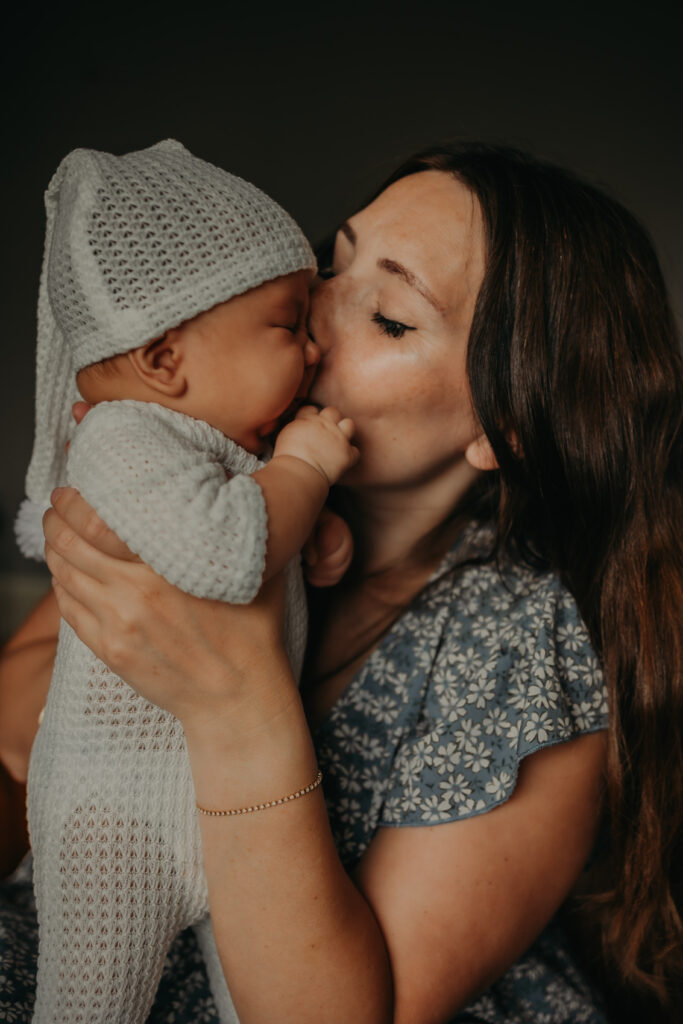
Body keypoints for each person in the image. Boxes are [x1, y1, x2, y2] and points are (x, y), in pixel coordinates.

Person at [1, 141, 681, 1024]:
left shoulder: (520, 639)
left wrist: (234, 701)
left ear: (502, 425)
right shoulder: (216, 477)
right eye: (328, 263)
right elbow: (18, 729)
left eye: (390, 317)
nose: (310, 316)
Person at [13, 139, 357, 1023]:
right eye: (289, 324)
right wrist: (308, 472)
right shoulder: (122, 438)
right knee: (89, 1010)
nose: (316, 349)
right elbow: (226, 551)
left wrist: (311, 535)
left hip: (224, 814)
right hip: (111, 820)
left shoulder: (215, 448)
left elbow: (253, 536)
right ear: (166, 361)